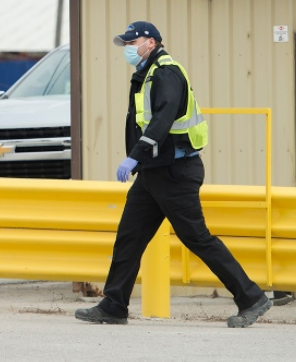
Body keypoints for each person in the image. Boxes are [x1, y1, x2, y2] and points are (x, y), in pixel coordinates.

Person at [74, 21, 271, 328]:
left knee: (197, 238)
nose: (128, 48)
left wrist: (134, 155)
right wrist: (140, 161)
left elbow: (162, 120)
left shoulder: (166, 72)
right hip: (153, 172)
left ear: (151, 42)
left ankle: (251, 297)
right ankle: (113, 306)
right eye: (126, 44)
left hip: (175, 171)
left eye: (132, 42)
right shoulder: (146, 73)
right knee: (129, 238)